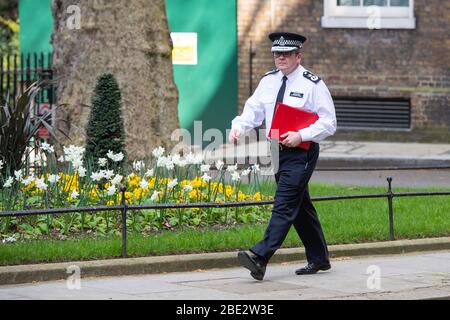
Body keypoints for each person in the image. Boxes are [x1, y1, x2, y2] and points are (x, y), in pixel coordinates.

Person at [229, 32, 337, 281]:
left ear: (298, 56)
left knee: (285, 202)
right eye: (277, 54)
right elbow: (254, 109)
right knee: (300, 206)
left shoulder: (313, 84)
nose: (281, 58)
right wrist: (239, 126)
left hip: (302, 152)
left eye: (286, 54)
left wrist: (301, 135)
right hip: (276, 151)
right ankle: (319, 259)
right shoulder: (269, 80)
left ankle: (260, 257)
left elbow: (329, 122)